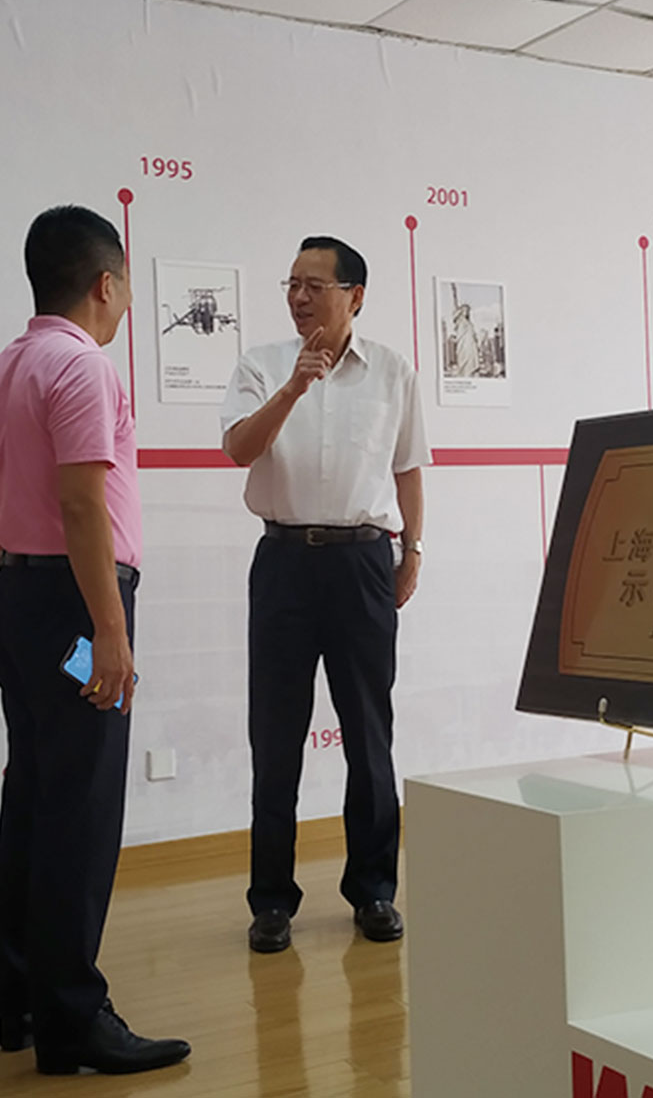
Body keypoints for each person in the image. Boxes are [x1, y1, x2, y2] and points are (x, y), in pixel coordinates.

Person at [0, 206, 191, 1075]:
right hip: (75, 605)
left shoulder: (6, 366)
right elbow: (79, 503)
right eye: (127, 283)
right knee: (83, 809)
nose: (129, 300)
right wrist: (108, 629)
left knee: (34, 798)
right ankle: (72, 1017)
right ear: (105, 283)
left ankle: (22, 999)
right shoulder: (82, 367)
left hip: (18, 597)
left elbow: (8, 494)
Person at [220, 235, 428, 954]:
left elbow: (408, 469)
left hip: (363, 562)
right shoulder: (261, 364)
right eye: (292, 284)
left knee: (369, 734)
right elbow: (239, 449)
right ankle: (272, 900)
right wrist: (293, 388)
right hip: (283, 562)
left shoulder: (393, 371)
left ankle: (373, 889)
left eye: (315, 285)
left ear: (354, 296)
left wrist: (413, 550)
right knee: (275, 737)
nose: (299, 297)